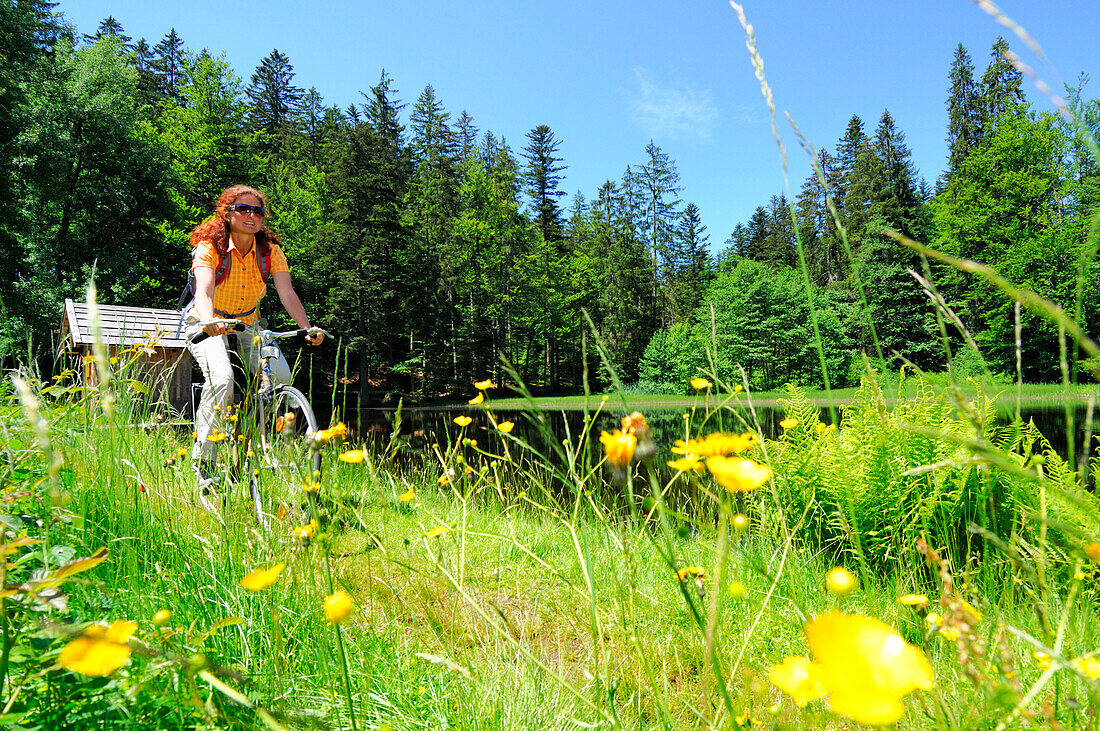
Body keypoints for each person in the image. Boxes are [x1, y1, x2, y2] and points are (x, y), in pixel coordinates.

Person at [182, 184, 323, 497]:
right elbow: (203, 291)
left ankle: (247, 447)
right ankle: (204, 463)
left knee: (281, 376)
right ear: (227, 212)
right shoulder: (210, 246)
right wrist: (210, 322)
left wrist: (306, 327)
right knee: (222, 379)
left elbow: (287, 292)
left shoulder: (269, 251)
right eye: (243, 209)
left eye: (257, 211)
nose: (251, 215)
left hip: (248, 323)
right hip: (207, 320)